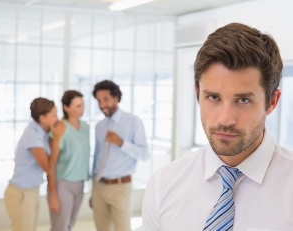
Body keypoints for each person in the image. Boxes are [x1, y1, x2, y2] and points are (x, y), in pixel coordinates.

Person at [142, 23, 293, 230]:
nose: (225, 119)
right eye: (213, 97)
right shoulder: (163, 184)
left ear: (272, 101)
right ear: (197, 94)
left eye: (243, 100)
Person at [90, 80, 149, 231]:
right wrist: (93, 191)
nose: (102, 105)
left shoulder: (133, 122)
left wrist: (121, 143)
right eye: (98, 101)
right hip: (99, 187)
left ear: (116, 98)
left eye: (106, 99)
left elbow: (144, 154)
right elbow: (97, 160)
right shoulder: (99, 126)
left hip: (120, 188)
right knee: (101, 228)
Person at [4, 97, 58, 231]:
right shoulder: (33, 136)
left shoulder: (40, 132)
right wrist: (57, 139)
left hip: (29, 192)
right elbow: (48, 168)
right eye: (54, 115)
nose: (57, 119)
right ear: (43, 118)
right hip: (22, 194)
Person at [48, 90, 90, 231]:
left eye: (83, 105)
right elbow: (51, 165)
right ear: (66, 108)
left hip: (80, 183)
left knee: (70, 225)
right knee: (60, 227)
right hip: (63, 184)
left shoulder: (85, 127)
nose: (82, 109)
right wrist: (53, 194)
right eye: (78, 106)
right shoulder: (60, 129)